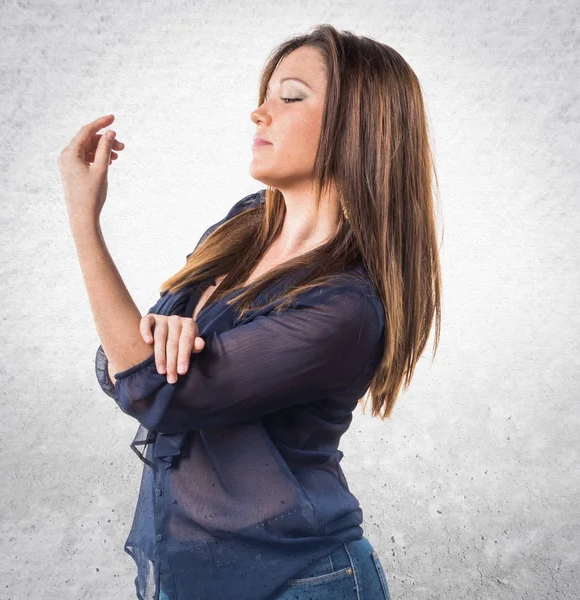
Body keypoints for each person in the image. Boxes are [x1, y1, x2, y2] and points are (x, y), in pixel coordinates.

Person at [61, 23, 441, 600]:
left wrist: (83, 219)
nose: (259, 114)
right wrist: (151, 341)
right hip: (189, 575)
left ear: (357, 124)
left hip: (304, 579)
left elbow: (152, 390)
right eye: (265, 97)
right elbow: (125, 361)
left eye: (289, 96)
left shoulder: (345, 307)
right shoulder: (241, 227)